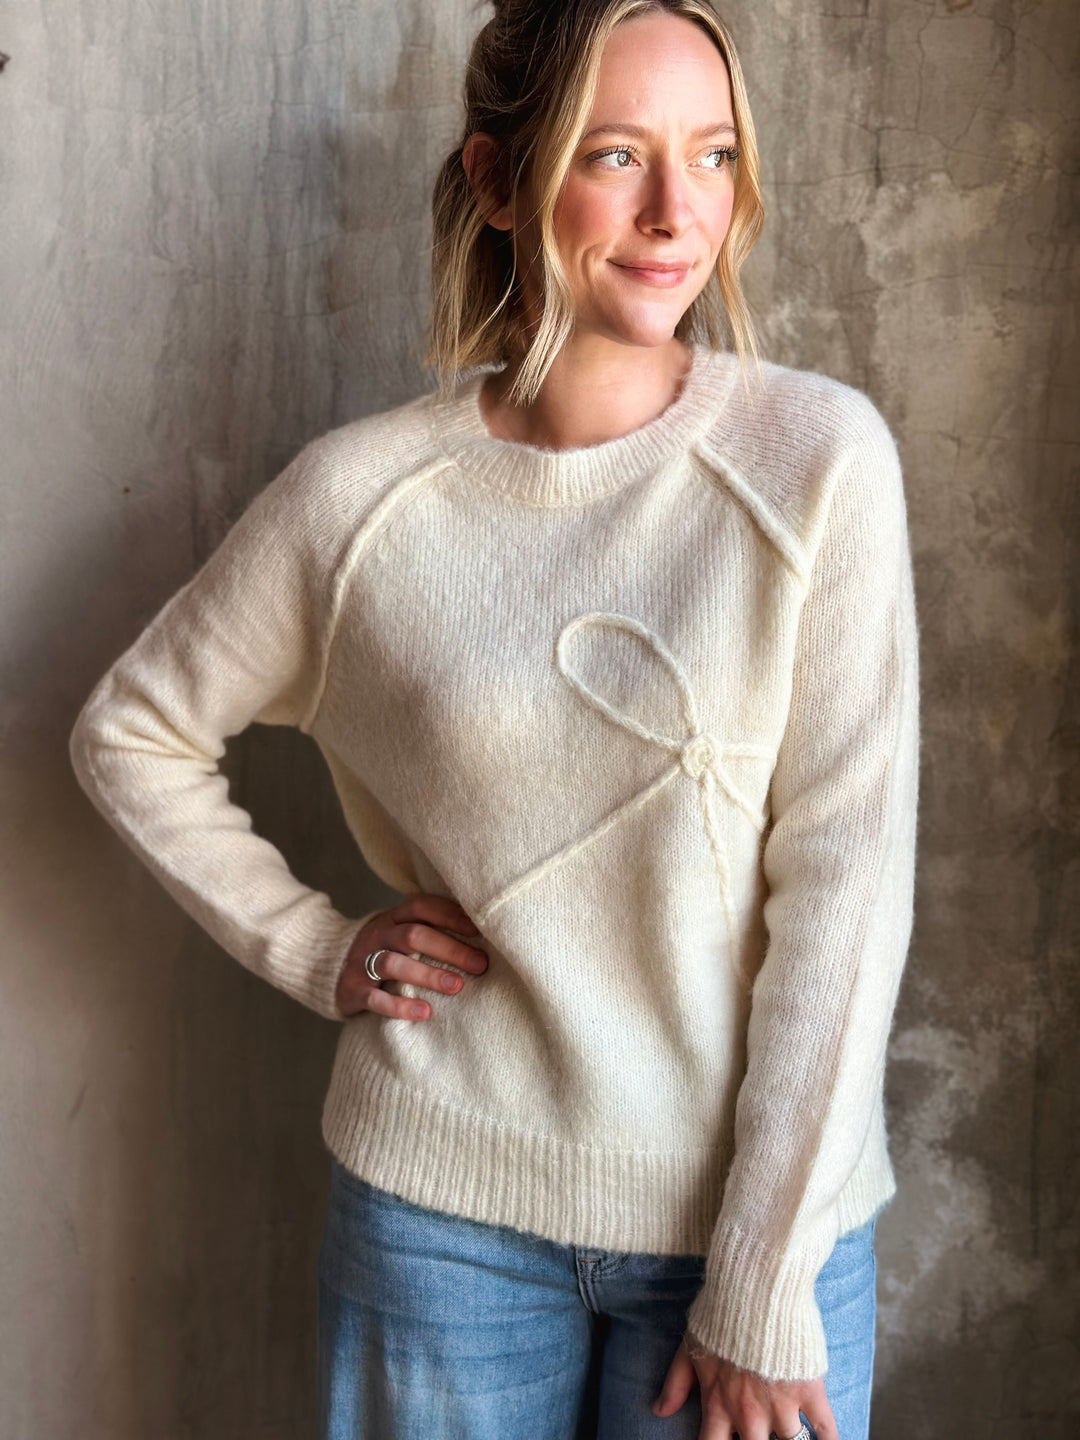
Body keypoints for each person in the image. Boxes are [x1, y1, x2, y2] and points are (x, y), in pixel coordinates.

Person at [68, 0, 920, 1437]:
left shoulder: (817, 462)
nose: (674, 212)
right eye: (615, 155)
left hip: (758, 1232)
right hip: (439, 1223)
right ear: (494, 181)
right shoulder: (359, 503)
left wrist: (764, 1277)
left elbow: (848, 891)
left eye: (712, 156)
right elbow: (129, 732)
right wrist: (314, 944)